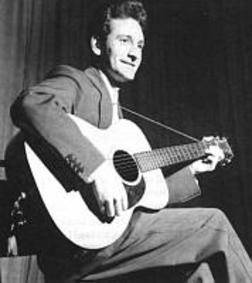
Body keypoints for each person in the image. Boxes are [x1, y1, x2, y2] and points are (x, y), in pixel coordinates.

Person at [8, 0, 252, 282]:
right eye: (124, 40)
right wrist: (97, 170)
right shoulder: (78, 83)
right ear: (99, 45)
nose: (135, 53)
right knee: (215, 226)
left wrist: (195, 169)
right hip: (77, 246)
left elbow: (143, 199)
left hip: (108, 241)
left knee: (203, 273)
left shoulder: (121, 123)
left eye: (139, 45)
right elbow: (33, 103)